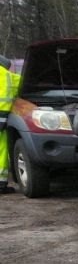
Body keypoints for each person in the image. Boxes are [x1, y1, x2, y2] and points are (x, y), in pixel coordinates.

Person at [1, 54, 21, 194]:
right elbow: (27, 85)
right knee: (1, 151)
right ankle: (1, 185)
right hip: (1, 120)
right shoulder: (9, 77)